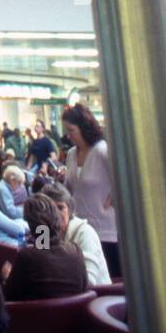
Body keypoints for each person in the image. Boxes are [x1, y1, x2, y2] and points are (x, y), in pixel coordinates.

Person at [62, 103, 120, 278]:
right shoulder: (71, 154)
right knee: (87, 278)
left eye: (71, 130)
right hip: (80, 229)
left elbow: (122, 178)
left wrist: (111, 199)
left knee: (109, 278)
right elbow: (68, 189)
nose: (68, 135)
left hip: (106, 229)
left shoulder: (102, 150)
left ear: (84, 127)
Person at [2, 194, 88, 302]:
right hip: (73, 317)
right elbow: (85, 291)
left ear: (31, 225)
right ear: (56, 217)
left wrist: (6, 278)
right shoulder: (76, 251)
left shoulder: (27, 257)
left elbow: (9, 297)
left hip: (34, 318)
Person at [40, 180, 111, 288]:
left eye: (60, 207)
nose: (56, 214)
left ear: (69, 210)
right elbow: (40, 267)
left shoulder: (85, 232)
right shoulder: (43, 231)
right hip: (64, 296)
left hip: (96, 299)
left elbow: (89, 281)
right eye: (49, 208)